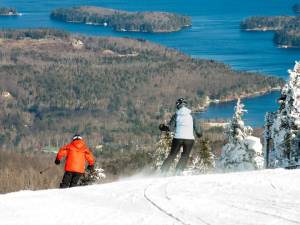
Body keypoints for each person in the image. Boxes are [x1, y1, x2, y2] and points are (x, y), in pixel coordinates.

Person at [159, 98, 202, 174]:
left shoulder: (176, 115)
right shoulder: (192, 115)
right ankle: (178, 171)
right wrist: (199, 134)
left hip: (178, 138)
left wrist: (163, 127)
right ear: (185, 105)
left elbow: (170, 128)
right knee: (185, 156)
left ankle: (163, 171)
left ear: (178, 105)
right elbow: (197, 129)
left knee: (172, 155)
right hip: (189, 139)